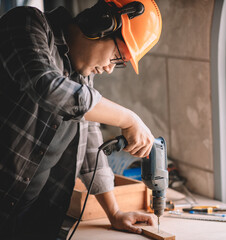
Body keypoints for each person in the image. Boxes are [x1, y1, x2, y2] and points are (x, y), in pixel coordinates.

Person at [0, 0, 162, 239]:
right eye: (118, 56)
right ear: (103, 24)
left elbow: (90, 145)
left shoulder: (81, 74)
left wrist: (114, 213)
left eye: (119, 64)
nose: (109, 68)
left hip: (30, 215)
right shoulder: (27, 23)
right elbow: (48, 87)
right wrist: (128, 118)